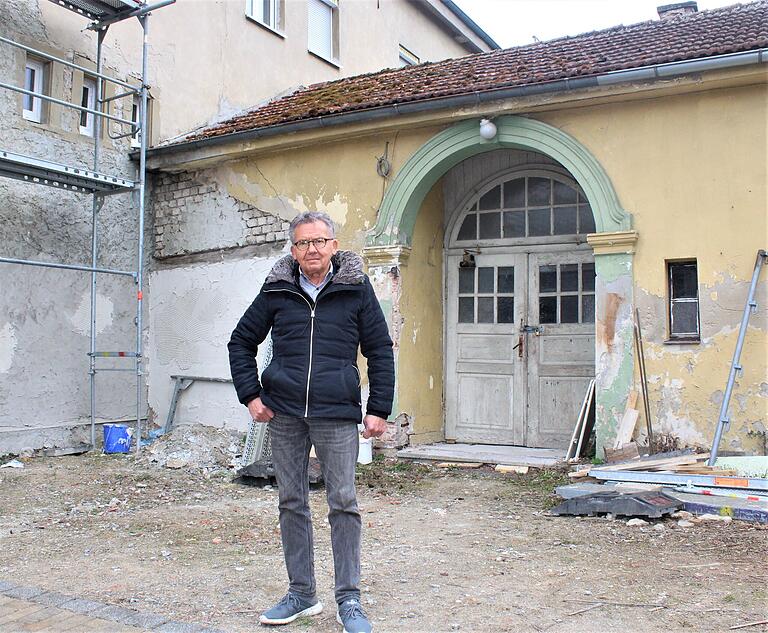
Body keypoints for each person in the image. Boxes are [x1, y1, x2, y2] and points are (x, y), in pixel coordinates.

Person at [228, 211, 394, 633]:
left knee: (343, 503)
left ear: (334, 246)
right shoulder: (277, 290)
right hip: (284, 414)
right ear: (293, 249)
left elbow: (379, 348)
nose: (312, 250)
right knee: (291, 502)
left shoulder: (355, 289)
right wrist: (251, 395)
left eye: (319, 241)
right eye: (303, 243)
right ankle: (302, 593)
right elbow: (241, 341)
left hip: (336, 412)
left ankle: (349, 599)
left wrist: (379, 408)